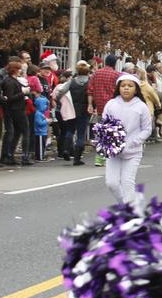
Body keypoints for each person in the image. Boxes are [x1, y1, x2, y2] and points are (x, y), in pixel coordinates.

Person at [101, 73, 152, 203]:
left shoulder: (141, 106)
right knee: (111, 183)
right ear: (118, 88)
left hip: (132, 152)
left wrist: (133, 142)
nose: (126, 88)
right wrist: (108, 141)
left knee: (127, 182)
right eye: (123, 85)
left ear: (136, 89)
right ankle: (123, 203)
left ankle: (129, 212)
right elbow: (104, 124)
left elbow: (147, 129)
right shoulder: (111, 104)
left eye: (130, 86)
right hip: (114, 152)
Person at [0, 60, 30, 166]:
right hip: (16, 109)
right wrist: (23, 93)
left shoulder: (10, 80)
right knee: (25, 131)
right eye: (19, 68)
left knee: (16, 132)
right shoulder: (10, 82)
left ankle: (10, 154)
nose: (21, 71)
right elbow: (10, 97)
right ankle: (24, 156)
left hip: (15, 109)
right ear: (15, 70)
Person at [64, 60, 92, 166]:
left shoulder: (72, 81)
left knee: (70, 129)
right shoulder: (89, 83)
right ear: (87, 72)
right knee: (81, 133)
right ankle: (77, 158)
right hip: (84, 109)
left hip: (72, 107)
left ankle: (66, 149)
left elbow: (62, 91)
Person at [53, 70, 75, 159]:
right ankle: (68, 150)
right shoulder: (67, 87)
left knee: (62, 131)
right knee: (68, 131)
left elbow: (54, 97)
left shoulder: (57, 87)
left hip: (58, 110)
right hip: (67, 111)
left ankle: (60, 151)